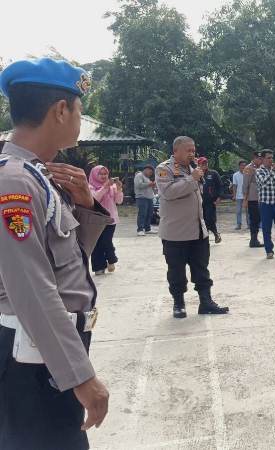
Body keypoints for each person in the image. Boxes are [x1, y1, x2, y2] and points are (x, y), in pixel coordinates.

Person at [0, 57, 110, 450]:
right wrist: (80, 376)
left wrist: (84, 204)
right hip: (31, 360)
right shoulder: (14, 182)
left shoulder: (39, 174)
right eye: (79, 109)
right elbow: (31, 286)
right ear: (61, 110)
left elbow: (67, 263)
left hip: (47, 352)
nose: (80, 118)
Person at [156, 136, 229, 319]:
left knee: (201, 268)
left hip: (198, 230)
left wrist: (194, 177)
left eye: (193, 150)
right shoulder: (164, 169)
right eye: (188, 150)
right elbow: (168, 192)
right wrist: (192, 179)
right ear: (176, 151)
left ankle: (206, 302)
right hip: (175, 233)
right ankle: (179, 304)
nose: (192, 153)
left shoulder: (193, 169)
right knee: (176, 271)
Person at [88, 166, 124, 275]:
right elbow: (95, 199)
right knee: (96, 243)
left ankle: (111, 259)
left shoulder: (112, 187)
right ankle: (98, 267)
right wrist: (105, 187)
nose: (104, 176)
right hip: (96, 220)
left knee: (106, 241)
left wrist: (119, 189)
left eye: (105, 174)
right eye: (101, 174)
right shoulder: (90, 187)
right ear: (94, 175)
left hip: (110, 219)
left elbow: (119, 201)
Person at [197, 157, 223, 244]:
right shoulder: (196, 174)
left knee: (210, 219)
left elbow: (220, 186)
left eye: (206, 163)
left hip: (211, 201)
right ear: (198, 165)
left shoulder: (213, 173)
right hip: (199, 202)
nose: (205, 165)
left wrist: (219, 197)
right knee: (202, 220)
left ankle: (214, 234)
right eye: (202, 163)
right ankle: (210, 236)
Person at [242, 151, 265, 247]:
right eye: (259, 159)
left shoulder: (262, 168)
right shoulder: (248, 168)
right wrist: (245, 199)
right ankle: (253, 240)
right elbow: (245, 184)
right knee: (254, 219)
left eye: (261, 159)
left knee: (258, 218)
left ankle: (255, 239)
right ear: (254, 158)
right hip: (252, 198)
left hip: (260, 197)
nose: (261, 160)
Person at [134, 165, 156, 236]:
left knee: (149, 214)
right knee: (142, 214)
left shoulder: (147, 178)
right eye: (150, 172)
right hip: (142, 198)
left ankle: (147, 229)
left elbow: (148, 186)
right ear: (146, 169)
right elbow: (139, 185)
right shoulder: (139, 175)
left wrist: (152, 185)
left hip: (149, 198)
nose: (151, 174)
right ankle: (140, 230)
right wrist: (150, 184)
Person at [231, 160, 247, 230]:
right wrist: (234, 195)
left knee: (248, 211)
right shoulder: (235, 175)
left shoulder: (247, 174)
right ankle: (239, 224)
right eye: (242, 165)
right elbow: (234, 185)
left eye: (245, 165)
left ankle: (249, 224)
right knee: (238, 211)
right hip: (238, 195)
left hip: (247, 195)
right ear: (239, 166)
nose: (243, 167)